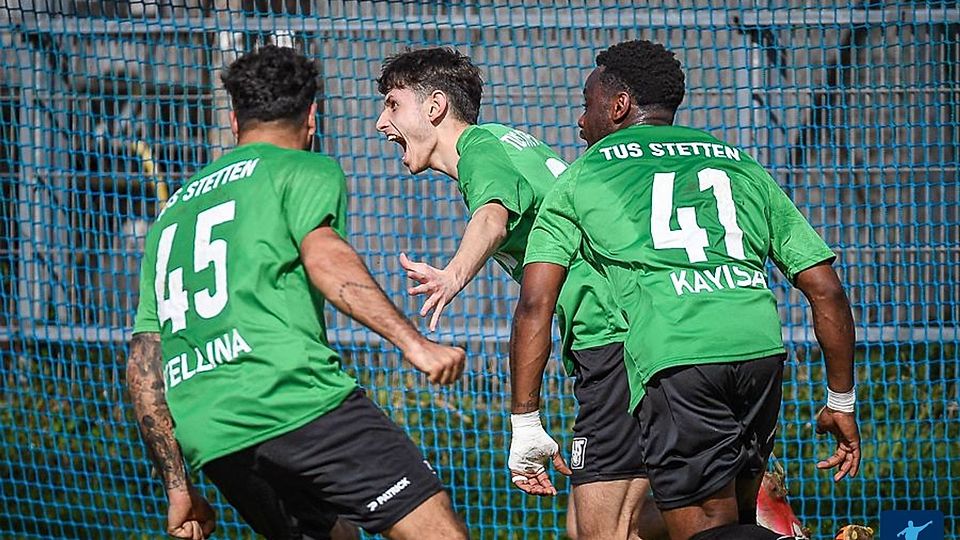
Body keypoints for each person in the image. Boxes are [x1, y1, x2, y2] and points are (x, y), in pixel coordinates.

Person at [512, 39, 862, 540]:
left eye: (586, 107)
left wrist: (525, 424)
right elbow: (825, 288)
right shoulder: (738, 162)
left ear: (618, 106)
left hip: (678, 363)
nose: (579, 122)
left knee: (708, 533)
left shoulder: (582, 177)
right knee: (733, 521)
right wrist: (841, 399)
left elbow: (534, 305)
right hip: (760, 354)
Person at [126, 45, 468, 540]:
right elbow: (325, 256)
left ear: (233, 117)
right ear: (311, 115)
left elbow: (144, 358)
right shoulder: (303, 169)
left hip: (211, 430)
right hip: (291, 400)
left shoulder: (173, 213)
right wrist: (414, 343)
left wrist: (178, 487)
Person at [375, 47, 665, 540]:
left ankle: (749, 523)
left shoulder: (479, 149)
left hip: (616, 340)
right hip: (631, 332)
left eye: (392, 104)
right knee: (594, 527)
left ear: (435, 107)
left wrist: (453, 275)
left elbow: (491, 216)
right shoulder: (506, 143)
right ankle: (739, 511)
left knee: (603, 531)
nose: (382, 122)